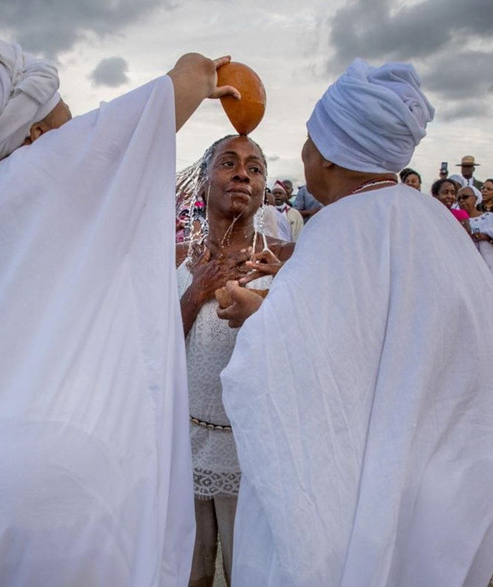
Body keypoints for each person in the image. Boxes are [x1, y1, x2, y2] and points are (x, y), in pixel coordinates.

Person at [0, 35, 240, 586]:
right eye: (66, 115)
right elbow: (160, 105)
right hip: (62, 479)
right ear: (36, 133)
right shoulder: (60, 176)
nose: (77, 124)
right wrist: (199, 73)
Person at [216, 58, 493, 586]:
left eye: (309, 140)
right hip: (445, 483)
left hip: (364, 495)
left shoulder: (342, 228)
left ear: (329, 156)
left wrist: (254, 314)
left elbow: (296, 367)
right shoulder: (438, 225)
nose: (304, 153)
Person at [176, 135, 293, 587]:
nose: (243, 173)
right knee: (191, 564)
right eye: (228, 163)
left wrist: (279, 296)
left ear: (264, 189)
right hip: (184, 440)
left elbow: (311, 342)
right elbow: (151, 349)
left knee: (249, 568)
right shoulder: (179, 257)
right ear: (203, 182)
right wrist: (196, 291)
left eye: (255, 167)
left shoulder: (284, 259)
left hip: (252, 450)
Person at [460, 186, 493, 281]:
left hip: (488, 265)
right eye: (459, 198)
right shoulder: (456, 221)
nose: (461, 201)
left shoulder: (489, 218)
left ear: (475, 198)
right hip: (466, 267)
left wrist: (487, 236)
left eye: (465, 197)